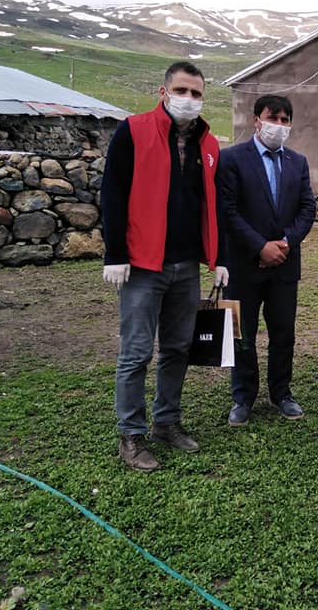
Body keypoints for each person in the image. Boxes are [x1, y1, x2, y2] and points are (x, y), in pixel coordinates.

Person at [100, 61, 228, 472]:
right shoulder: (133, 131)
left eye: (196, 93)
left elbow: (211, 205)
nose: (189, 99)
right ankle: (131, 434)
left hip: (186, 265)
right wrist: (115, 253)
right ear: (163, 91)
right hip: (141, 264)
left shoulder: (209, 145)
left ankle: (166, 422)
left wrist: (217, 257)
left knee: (177, 349)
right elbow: (113, 194)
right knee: (136, 352)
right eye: (182, 91)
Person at [217, 94, 316, 426]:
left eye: (285, 119)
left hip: (285, 266)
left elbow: (307, 208)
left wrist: (285, 242)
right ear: (256, 119)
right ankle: (242, 397)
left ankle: (281, 393)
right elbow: (227, 211)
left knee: (283, 333)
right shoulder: (231, 158)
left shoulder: (297, 162)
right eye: (273, 117)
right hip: (241, 265)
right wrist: (260, 246)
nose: (279, 124)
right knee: (239, 334)